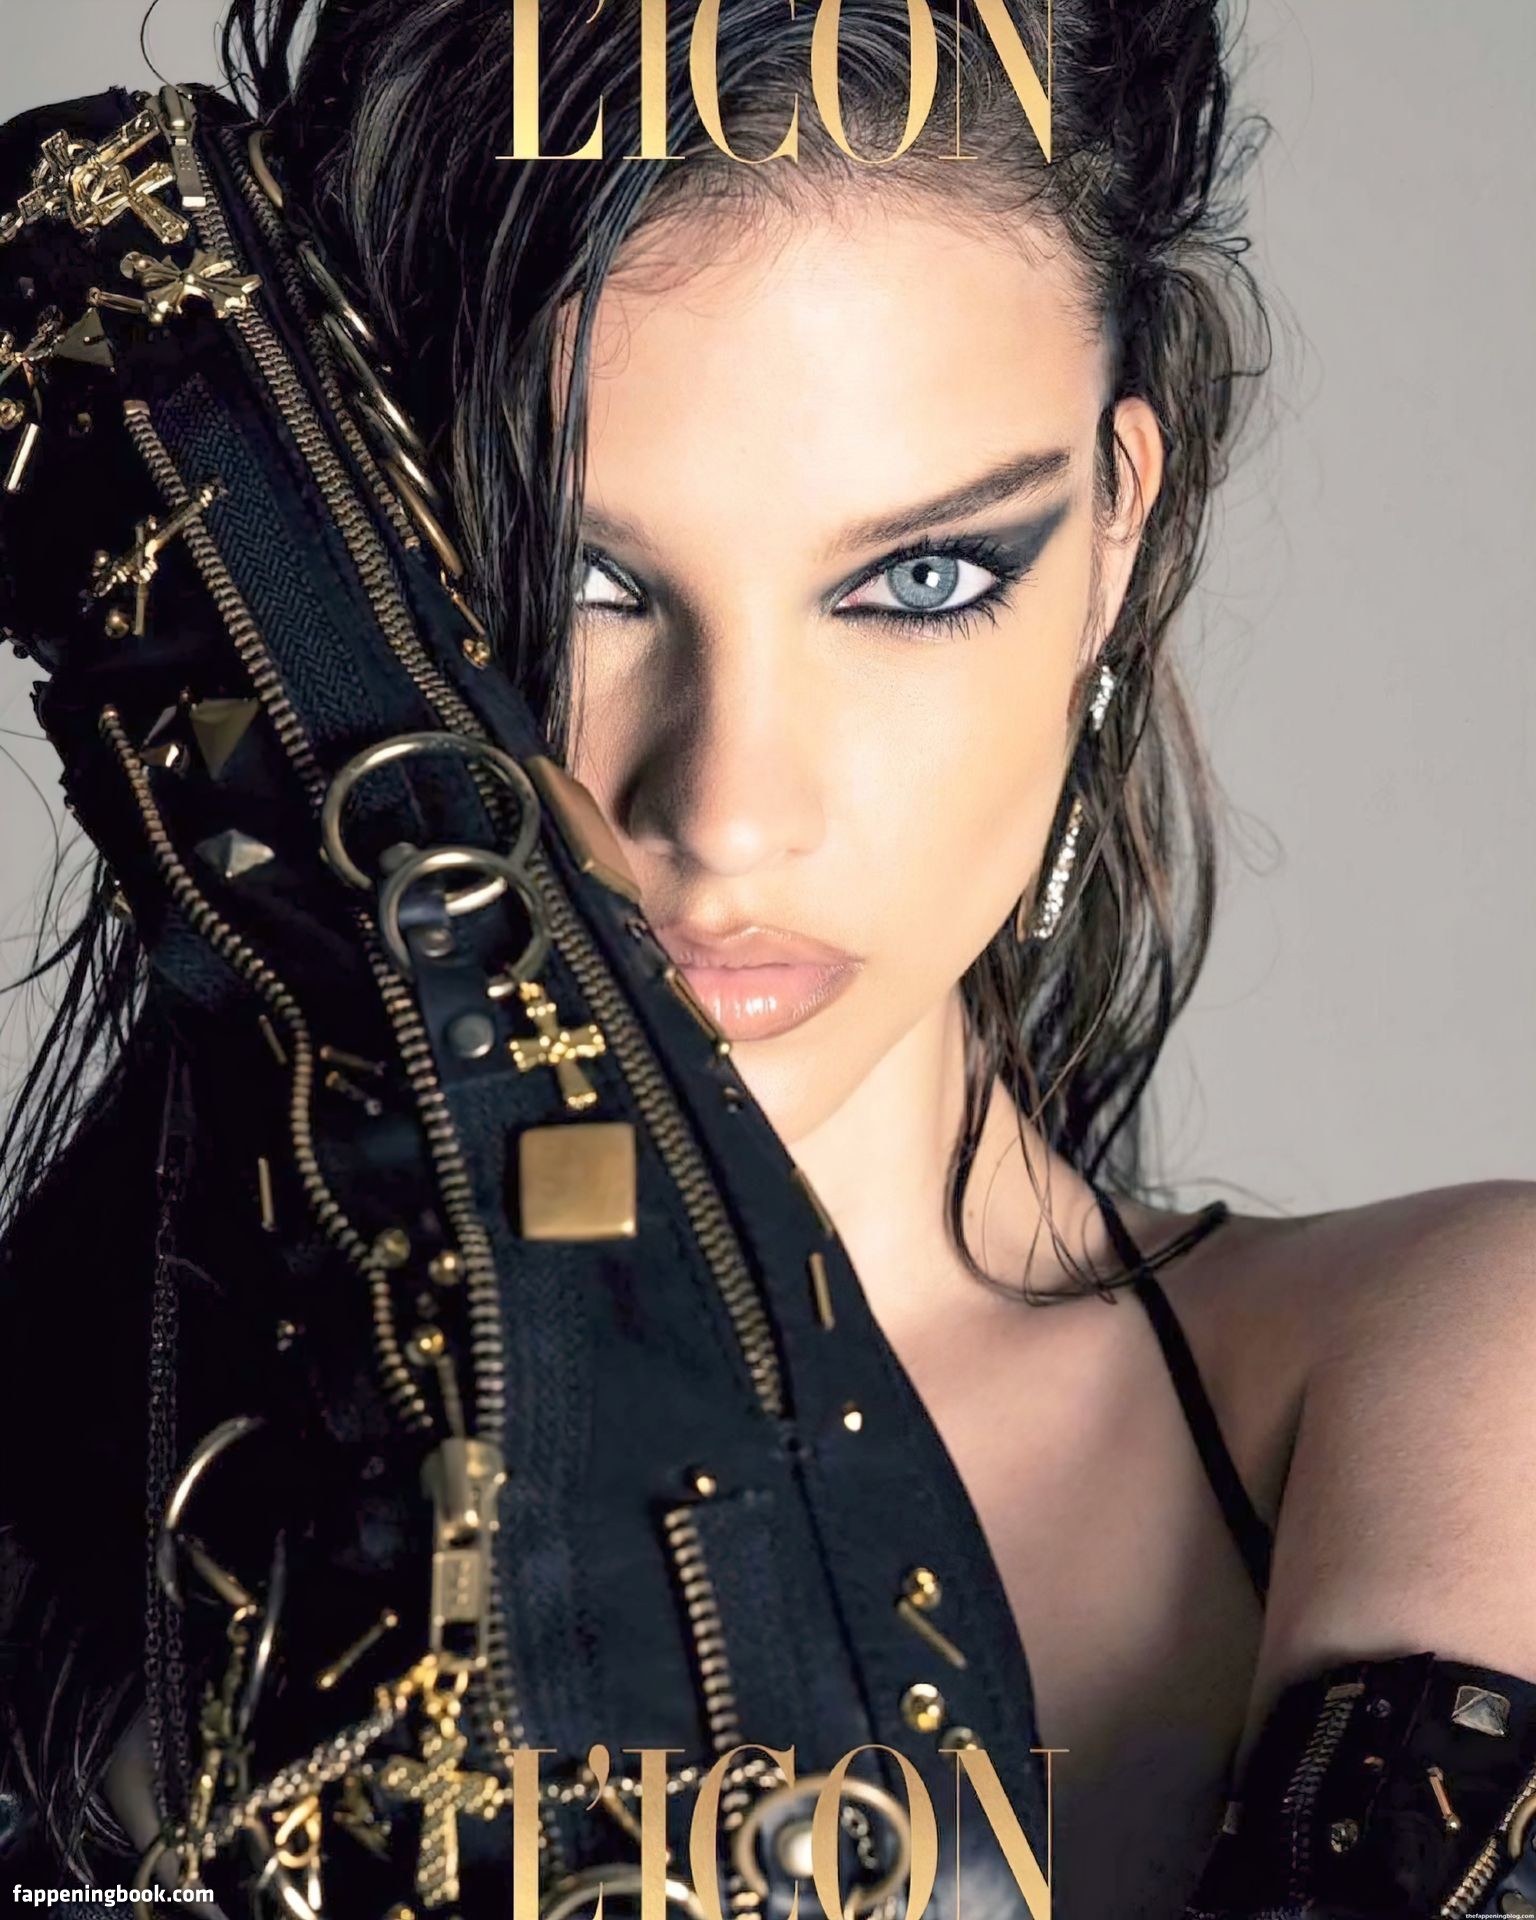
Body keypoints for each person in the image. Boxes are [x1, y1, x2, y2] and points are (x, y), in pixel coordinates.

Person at [1, 0, 1531, 1914]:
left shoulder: (1452, 1365)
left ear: (1115, 545)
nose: (724, 813)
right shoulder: (64, 1539)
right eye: (572, 578)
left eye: (919, 581)